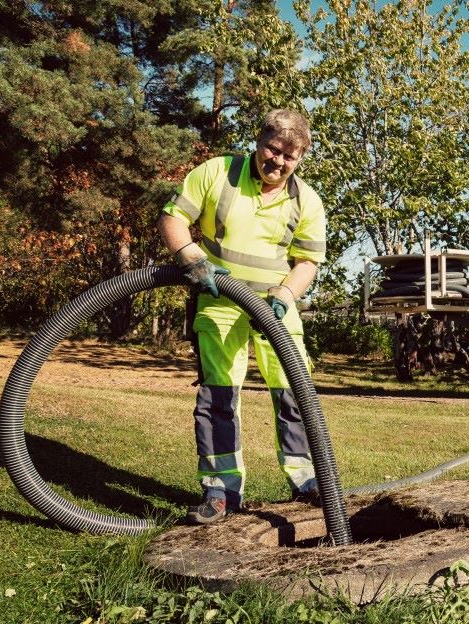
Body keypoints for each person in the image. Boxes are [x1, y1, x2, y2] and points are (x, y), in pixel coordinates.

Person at [157, 109, 328, 524]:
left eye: (290, 156)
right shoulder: (218, 173)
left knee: (294, 393)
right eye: (273, 149)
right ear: (259, 140)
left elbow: (307, 260)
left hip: (277, 308)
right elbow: (173, 218)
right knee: (219, 397)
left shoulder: (307, 199)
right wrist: (192, 259)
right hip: (219, 299)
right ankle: (221, 491)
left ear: (301, 156)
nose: (278, 161)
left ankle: (307, 482)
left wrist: (286, 294)